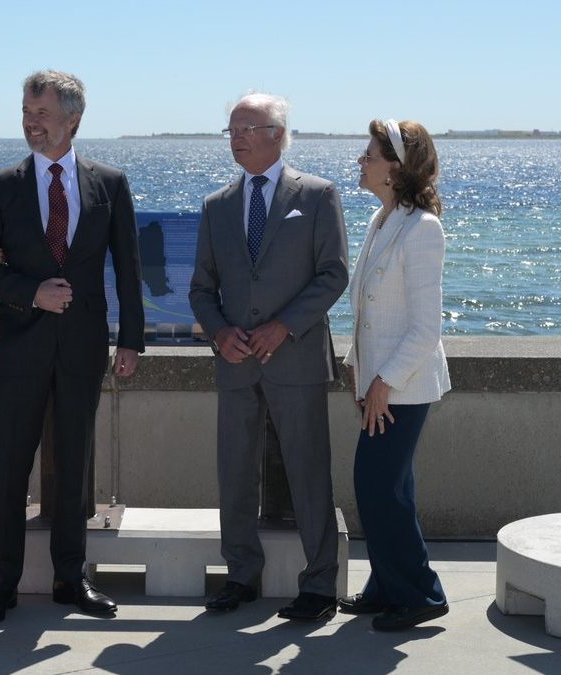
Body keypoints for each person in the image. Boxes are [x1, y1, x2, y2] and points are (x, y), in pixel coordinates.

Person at [0, 69, 145, 623]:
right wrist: (31, 293)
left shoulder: (109, 183)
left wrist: (131, 339)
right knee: (12, 465)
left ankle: (73, 579)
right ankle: (4, 583)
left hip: (85, 347)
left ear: (72, 119)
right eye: (26, 111)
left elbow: (128, 266)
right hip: (21, 346)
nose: (30, 122)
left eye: (41, 113)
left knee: (74, 465)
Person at [189, 92, 348, 622]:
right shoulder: (217, 206)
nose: (234, 138)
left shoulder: (319, 195)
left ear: (276, 133)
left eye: (245, 128)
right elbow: (200, 289)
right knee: (234, 473)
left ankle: (320, 583)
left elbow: (333, 275)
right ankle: (240, 576)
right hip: (235, 362)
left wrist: (285, 326)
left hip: (296, 359)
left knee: (308, 472)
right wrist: (218, 333)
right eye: (230, 129)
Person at [338, 119, 451, 631]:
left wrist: (383, 382)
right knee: (388, 487)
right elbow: (368, 309)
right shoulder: (382, 220)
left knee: (379, 487)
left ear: (395, 168)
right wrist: (358, 368)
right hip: (378, 384)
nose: (361, 162)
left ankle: (420, 594)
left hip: (403, 387)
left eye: (369, 156)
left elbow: (426, 327)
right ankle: (387, 586)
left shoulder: (423, 228)